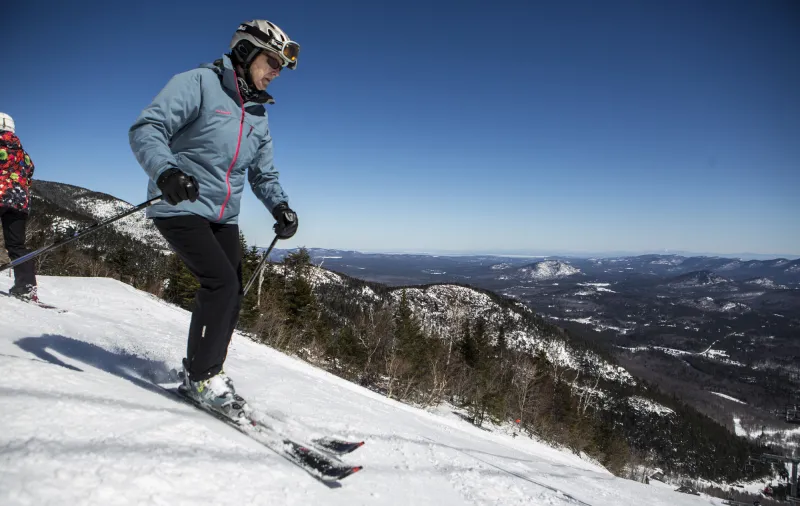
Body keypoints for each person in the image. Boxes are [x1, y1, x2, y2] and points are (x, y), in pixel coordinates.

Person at [129, 20, 300, 420]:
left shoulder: (257, 113)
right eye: (272, 60)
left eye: (280, 66)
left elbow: (263, 173)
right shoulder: (198, 83)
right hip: (180, 203)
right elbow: (147, 128)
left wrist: (280, 207)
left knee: (234, 290)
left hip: (224, 215)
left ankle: (208, 372)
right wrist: (166, 172)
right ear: (244, 52)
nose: (276, 71)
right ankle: (201, 377)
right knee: (220, 284)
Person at [0, 112, 38, 301]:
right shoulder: (24, 153)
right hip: (19, 201)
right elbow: (30, 170)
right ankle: (26, 286)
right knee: (16, 245)